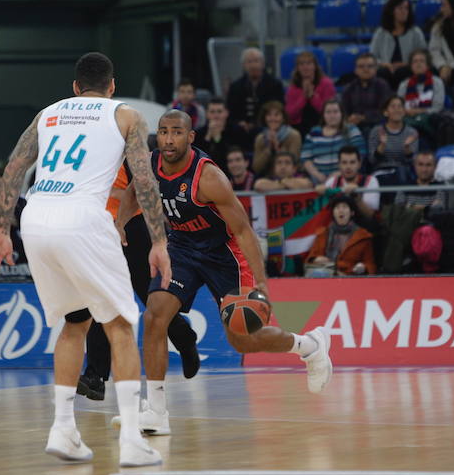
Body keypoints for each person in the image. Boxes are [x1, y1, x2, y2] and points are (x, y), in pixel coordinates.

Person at [0, 52, 166, 467]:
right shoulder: (127, 116)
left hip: (36, 217)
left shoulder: (48, 114)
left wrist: (0, 231)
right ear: (112, 86)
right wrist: (158, 241)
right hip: (83, 217)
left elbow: (14, 167)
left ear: (74, 87)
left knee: (74, 322)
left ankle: (63, 429)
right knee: (120, 325)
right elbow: (144, 179)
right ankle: (133, 441)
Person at [113, 110, 333, 436]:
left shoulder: (209, 178)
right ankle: (156, 412)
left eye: (176, 132)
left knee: (242, 339)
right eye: (163, 132)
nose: (169, 139)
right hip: (183, 249)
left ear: (190, 137)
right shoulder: (149, 164)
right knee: (154, 316)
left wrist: (261, 282)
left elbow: (243, 231)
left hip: (226, 254)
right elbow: (134, 192)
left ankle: (309, 346)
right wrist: (119, 223)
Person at [77, 164, 200, 402]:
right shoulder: (85, 152)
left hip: (132, 228)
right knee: (102, 301)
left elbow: (142, 191)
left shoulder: (125, 149)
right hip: (98, 230)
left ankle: (185, 339)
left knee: (152, 299)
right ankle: (95, 376)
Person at [305, 194, 376, 276]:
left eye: (344, 207)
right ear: (333, 213)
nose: (340, 211)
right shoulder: (323, 233)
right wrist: (316, 259)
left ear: (352, 213)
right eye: (337, 208)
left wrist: (363, 267)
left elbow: (371, 265)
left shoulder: (363, 236)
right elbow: (310, 258)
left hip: (349, 277)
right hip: (325, 274)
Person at [300, 99, 366, 185]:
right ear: (323, 115)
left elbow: (361, 154)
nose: (332, 115)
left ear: (341, 114)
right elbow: (305, 158)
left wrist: (340, 173)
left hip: (345, 177)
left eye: (335, 112)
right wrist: (317, 175)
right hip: (317, 179)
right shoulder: (314, 132)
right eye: (328, 112)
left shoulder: (351, 130)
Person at [226, 47, 285, 142]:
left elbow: (279, 108)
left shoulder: (275, 84)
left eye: (256, 61)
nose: (253, 65)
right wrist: (239, 122)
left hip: (267, 125)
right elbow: (230, 111)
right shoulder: (235, 86)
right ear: (244, 65)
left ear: (263, 63)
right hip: (241, 129)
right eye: (249, 62)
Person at [369, 0, 427, 88]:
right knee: (383, 72)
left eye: (406, 8)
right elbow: (372, 57)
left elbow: (424, 55)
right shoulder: (381, 33)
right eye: (400, 8)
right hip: (386, 70)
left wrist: (407, 64)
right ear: (392, 11)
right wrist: (384, 64)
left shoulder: (415, 32)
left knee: (402, 72)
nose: (404, 11)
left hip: (408, 69)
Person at [315, 146, 379, 220]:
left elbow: (370, 215)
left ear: (359, 164)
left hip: (363, 228)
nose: (348, 167)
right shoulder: (332, 182)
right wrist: (317, 193)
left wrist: (357, 197)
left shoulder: (371, 181)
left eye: (352, 162)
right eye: (344, 163)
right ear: (339, 164)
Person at [397, 49, 445, 148]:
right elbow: (398, 106)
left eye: (422, 61)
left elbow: (438, 106)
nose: (418, 64)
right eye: (415, 61)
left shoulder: (437, 82)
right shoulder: (404, 84)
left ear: (427, 65)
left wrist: (419, 111)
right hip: (408, 117)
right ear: (411, 66)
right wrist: (408, 112)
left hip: (429, 117)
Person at [285, 50, 336, 137]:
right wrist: (304, 97)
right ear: (297, 68)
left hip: (323, 124)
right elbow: (290, 115)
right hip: (298, 128)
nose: (305, 67)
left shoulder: (326, 84)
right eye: (301, 64)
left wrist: (312, 96)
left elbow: (329, 112)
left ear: (315, 66)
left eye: (309, 63)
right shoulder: (293, 88)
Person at [339, 53, 393, 130]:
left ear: (376, 69)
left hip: (377, 127)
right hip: (353, 127)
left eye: (370, 66)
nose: (365, 69)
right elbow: (344, 111)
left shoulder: (383, 86)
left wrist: (364, 118)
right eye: (361, 66)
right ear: (355, 70)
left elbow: (385, 111)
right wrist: (349, 118)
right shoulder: (349, 88)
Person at [369, 96, 419, 179]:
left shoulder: (411, 132)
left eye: (400, 106)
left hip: (404, 172)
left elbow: (413, 162)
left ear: (404, 111)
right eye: (393, 106)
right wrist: (382, 145)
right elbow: (372, 161)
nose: (397, 110)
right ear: (385, 112)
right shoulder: (376, 131)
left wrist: (407, 148)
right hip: (381, 172)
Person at [252, 101, 303, 176]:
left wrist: (277, 147)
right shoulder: (260, 138)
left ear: (283, 118)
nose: (273, 118)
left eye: (276, 115)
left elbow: (294, 164)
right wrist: (268, 149)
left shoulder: (294, 136)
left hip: (290, 178)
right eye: (269, 115)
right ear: (265, 118)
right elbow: (256, 168)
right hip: (266, 179)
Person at [195, 97, 245, 172]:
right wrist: (208, 137)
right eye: (212, 112)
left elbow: (230, 157)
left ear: (226, 113)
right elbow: (198, 158)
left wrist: (217, 139)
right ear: (207, 114)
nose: (216, 116)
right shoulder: (199, 133)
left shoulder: (237, 131)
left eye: (219, 111)